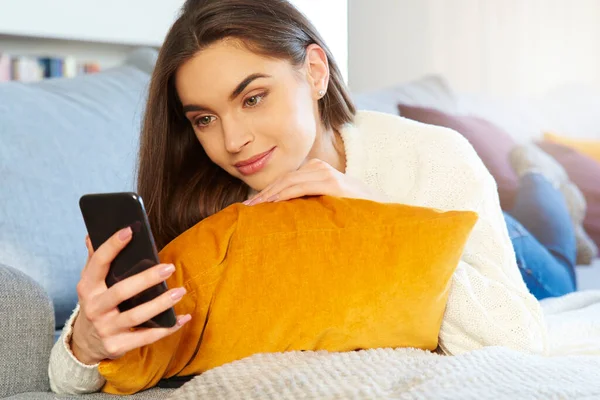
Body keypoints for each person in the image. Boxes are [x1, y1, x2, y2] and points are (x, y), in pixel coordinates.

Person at [49, 0, 554, 394]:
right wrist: (87, 342)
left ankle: (541, 179)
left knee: (551, 250)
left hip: (511, 248)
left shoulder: (432, 154)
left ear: (314, 72)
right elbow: (65, 375)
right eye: (205, 118)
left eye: (252, 97)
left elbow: (520, 336)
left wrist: (377, 222)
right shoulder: (204, 196)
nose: (232, 141)